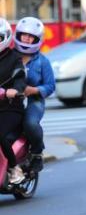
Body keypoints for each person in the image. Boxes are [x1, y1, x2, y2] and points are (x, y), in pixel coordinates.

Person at [14, 17, 55, 172]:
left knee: (30, 123)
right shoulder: (8, 57)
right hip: (11, 99)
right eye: (24, 35)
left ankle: (37, 153)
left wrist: (34, 90)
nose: (27, 38)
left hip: (33, 101)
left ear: (37, 39)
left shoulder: (43, 61)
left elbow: (50, 86)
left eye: (31, 36)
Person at [0, 18, 26, 184]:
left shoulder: (14, 58)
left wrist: (14, 90)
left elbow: (20, 79)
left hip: (10, 108)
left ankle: (14, 167)